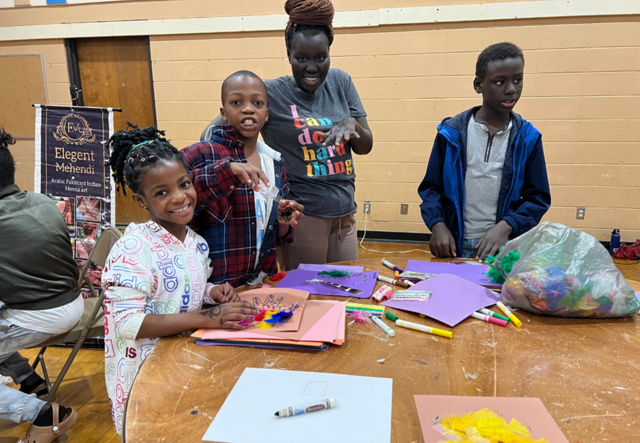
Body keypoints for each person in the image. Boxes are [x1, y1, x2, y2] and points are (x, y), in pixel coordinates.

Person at [102, 125, 258, 434]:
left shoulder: (196, 243)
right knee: (153, 430)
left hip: (183, 359)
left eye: (184, 184)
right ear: (141, 199)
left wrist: (212, 293)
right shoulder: (133, 248)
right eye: (161, 192)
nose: (179, 197)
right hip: (143, 371)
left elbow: (185, 292)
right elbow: (128, 323)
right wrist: (208, 317)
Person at [201, 0, 373, 270]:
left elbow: (365, 146)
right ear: (289, 54)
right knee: (308, 297)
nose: (312, 67)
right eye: (301, 58)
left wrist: (353, 126)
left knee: (346, 294)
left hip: (344, 213)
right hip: (302, 216)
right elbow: (211, 132)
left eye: (321, 57)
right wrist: (238, 163)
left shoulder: (341, 81)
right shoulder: (272, 92)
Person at [418, 42, 551, 260]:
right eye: (500, 82)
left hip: (504, 247)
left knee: (498, 295)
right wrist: (437, 224)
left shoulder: (528, 138)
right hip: (454, 245)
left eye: (517, 80)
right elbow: (432, 188)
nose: (511, 89)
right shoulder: (450, 133)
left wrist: (507, 226)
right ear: (479, 85)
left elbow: (537, 197)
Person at [183, 71, 304, 287]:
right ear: (224, 112)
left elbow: (276, 237)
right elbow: (178, 201)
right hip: (212, 289)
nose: (248, 108)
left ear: (266, 114)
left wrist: (283, 219)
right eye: (237, 102)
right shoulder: (200, 154)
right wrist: (226, 172)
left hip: (260, 284)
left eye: (257, 103)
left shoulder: (274, 165)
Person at [0, 129, 79, 442]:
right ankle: (28, 377)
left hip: (40, 313)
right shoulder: (43, 201)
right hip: (70, 301)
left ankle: (43, 414)